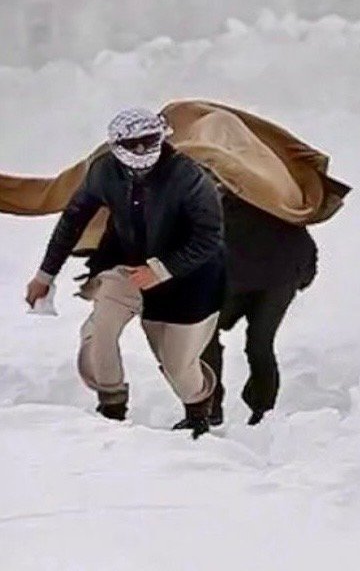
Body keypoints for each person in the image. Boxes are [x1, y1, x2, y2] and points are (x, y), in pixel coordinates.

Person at [23, 108, 224, 438]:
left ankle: (198, 412)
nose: (142, 150)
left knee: (177, 365)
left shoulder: (190, 179)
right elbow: (73, 219)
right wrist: (45, 275)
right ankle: (111, 406)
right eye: (133, 144)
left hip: (188, 278)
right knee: (100, 334)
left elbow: (209, 237)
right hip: (126, 268)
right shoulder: (103, 171)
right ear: (115, 146)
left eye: (149, 141)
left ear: (163, 138)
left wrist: (161, 270)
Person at [196, 190, 318, 427]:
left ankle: (213, 406)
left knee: (207, 335)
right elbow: (304, 249)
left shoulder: (226, 200)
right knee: (259, 344)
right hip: (275, 278)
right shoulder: (279, 197)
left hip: (254, 278)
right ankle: (261, 409)